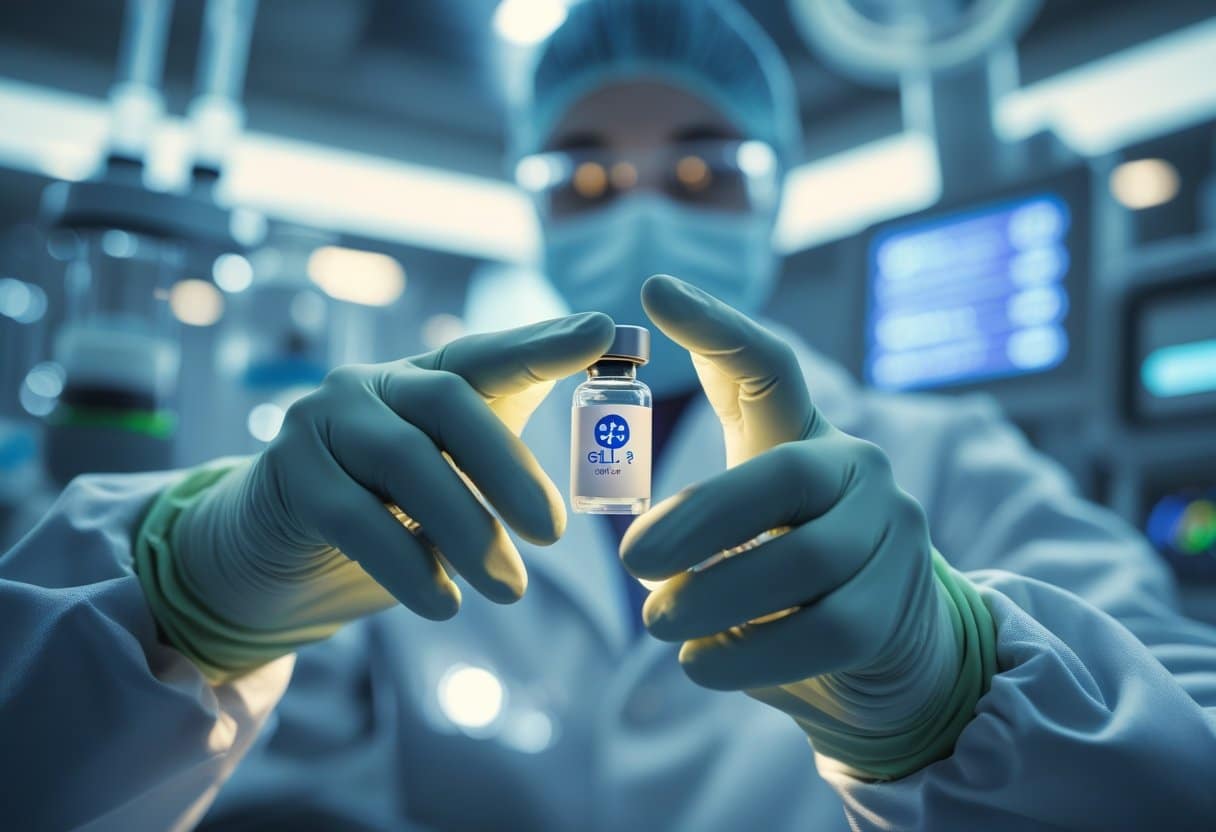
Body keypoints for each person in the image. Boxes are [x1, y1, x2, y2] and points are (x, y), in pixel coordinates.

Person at [3, 1, 1216, 829]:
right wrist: (178, 613)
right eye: (582, 174)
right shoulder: (403, 465)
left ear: (776, 192)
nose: (639, 203)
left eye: (701, 169)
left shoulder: (943, 459)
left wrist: (964, 685)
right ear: (529, 207)